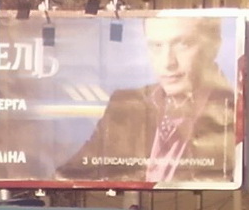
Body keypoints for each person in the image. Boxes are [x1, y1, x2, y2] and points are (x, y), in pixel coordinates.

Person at [56, 16, 235, 185]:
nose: (168, 62)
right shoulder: (126, 104)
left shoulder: (235, 110)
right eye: (156, 46)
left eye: (183, 44)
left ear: (214, 46)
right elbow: (71, 173)